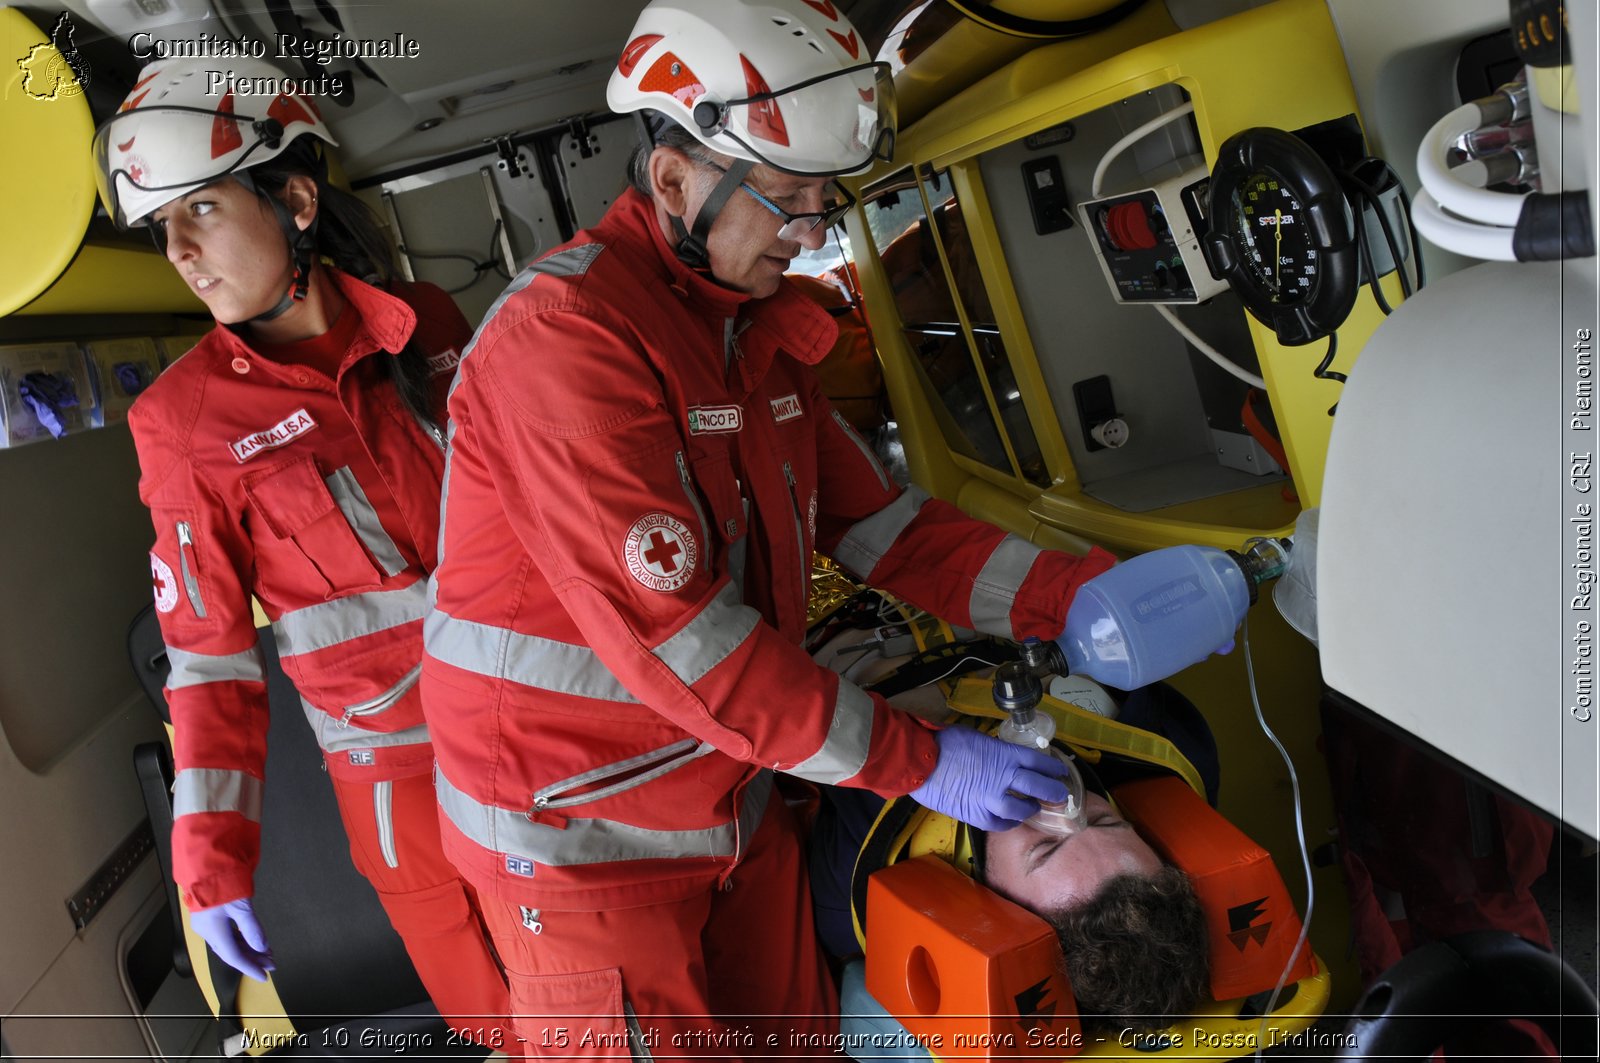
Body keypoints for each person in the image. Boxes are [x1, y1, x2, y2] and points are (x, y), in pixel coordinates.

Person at [422, 0, 1115, 1055]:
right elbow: (686, 645)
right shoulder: (566, 345)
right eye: (786, 201)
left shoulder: (751, 334)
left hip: (732, 790)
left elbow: (889, 533)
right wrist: (924, 763)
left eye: (821, 202)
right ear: (672, 181)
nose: (811, 233)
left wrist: (1084, 598)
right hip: (578, 834)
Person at [93, 57, 508, 1043]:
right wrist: (211, 861)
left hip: (544, 722)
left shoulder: (431, 327)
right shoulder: (184, 422)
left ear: (295, 198)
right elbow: (206, 659)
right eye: (162, 232)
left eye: (198, 211)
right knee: (516, 1024)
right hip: (405, 796)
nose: (183, 255)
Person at [809, 689, 1213, 1037]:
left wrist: (911, 757)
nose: (1063, 805)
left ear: (991, 907)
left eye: (1045, 847)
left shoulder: (856, 878)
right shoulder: (1168, 747)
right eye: (1106, 820)